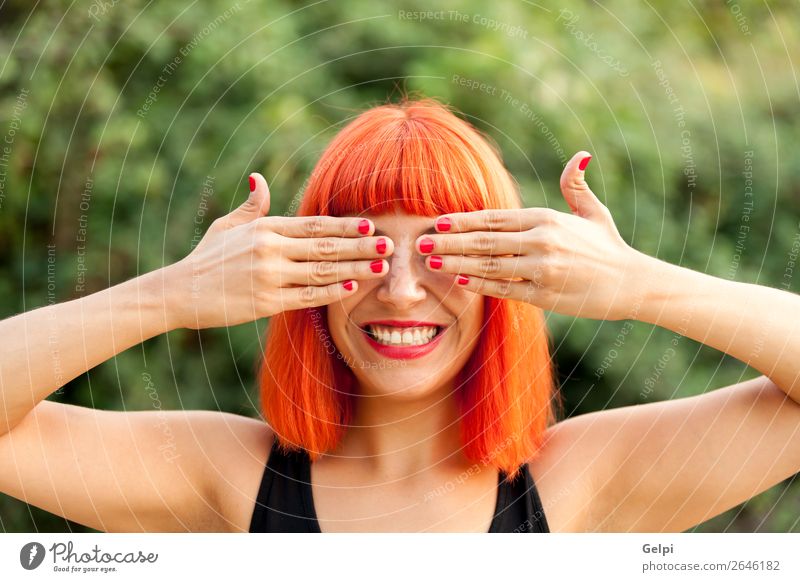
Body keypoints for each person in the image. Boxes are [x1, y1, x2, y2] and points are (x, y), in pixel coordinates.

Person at [1, 98, 798, 533]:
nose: (405, 292)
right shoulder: (227, 479)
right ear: (306, 278)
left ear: (507, 277)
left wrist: (636, 285)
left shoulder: (582, 481)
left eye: (448, 255)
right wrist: (170, 294)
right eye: (366, 256)